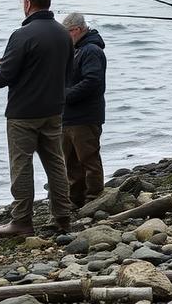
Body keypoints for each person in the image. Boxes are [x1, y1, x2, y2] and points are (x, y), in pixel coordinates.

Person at [0, 0, 74, 236]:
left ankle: (21, 221)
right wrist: (9, 64)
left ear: (28, 4)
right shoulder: (63, 34)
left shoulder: (22, 35)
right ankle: (62, 217)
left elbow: (3, 79)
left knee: (22, 166)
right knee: (56, 164)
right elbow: (66, 74)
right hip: (54, 110)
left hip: (23, 114)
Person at [60, 12, 107, 208]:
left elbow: (93, 82)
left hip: (86, 116)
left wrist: (65, 95)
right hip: (68, 116)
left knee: (88, 158)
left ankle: (94, 198)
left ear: (77, 30)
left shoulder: (91, 51)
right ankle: (75, 198)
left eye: (66, 33)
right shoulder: (74, 50)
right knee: (70, 161)